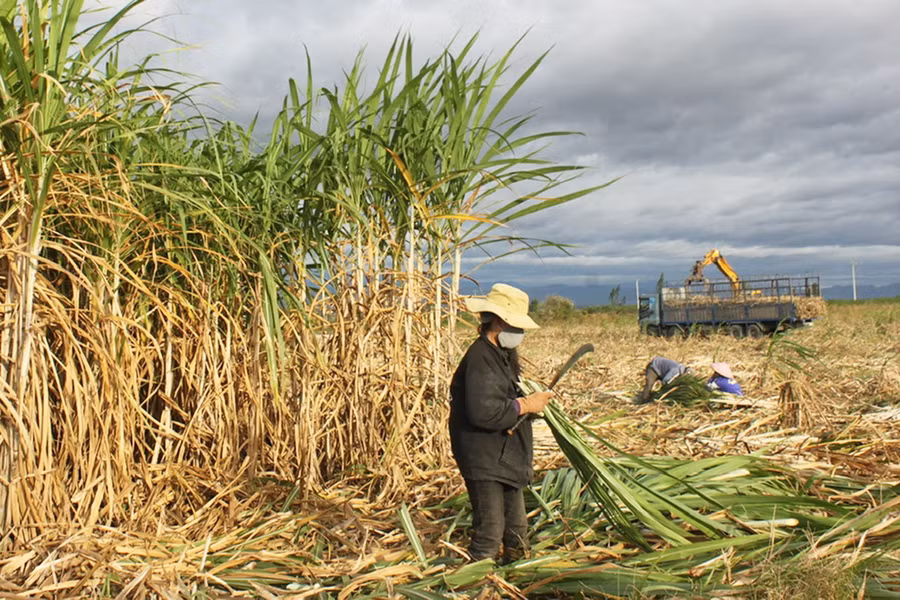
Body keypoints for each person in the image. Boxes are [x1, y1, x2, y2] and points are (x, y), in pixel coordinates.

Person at [449, 283, 553, 563]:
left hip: (505, 457)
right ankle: (474, 585)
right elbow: (483, 412)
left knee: (517, 529)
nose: (519, 333)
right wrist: (525, 404)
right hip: (484, 457)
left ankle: (518, 581)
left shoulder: (503, 356)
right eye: (516, 326)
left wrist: (532, 405)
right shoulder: (480, 358)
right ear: (498, 321)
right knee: (490, 534)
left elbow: (507, 400)